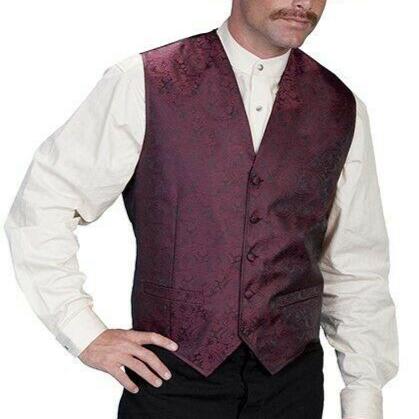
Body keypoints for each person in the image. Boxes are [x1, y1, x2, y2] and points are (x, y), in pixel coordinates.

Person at [4, 1, 398, 418]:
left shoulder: (341, 108)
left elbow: (357, 265)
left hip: (290, 390)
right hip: (170, 381)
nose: (303, 2)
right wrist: (84, 333)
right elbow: (42, 206)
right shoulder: (146, 81)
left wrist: (364, 397)